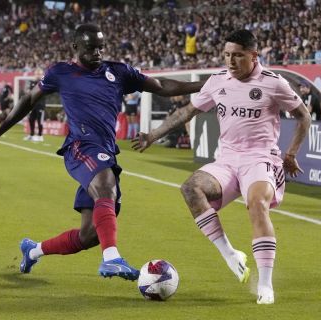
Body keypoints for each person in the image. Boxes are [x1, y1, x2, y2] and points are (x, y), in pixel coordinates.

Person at [0, 23, 204, 281]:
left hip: (105, 151)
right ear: (75, 47)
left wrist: (204, 85)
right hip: (80, 147)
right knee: (106, 185)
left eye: (100, 47)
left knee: (90, 235)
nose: (97, 53)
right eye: (91, 48)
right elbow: (29, 99)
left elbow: (161, 85)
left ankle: (33, 251)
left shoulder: (118, 72)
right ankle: (112, 259)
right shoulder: (60, 72)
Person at [132, 29, 311, 304]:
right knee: (191, 188)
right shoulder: (218, 81)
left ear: (253, 55)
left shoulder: (274, 83)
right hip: (227, 160)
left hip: (260, 159)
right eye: (227, 55)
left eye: (237, 55)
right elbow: (186, 112)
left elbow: (303, 116)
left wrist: (291, 153)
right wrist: (152, 135)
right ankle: (230, 254)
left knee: (257, 204)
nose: (230, 61)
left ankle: (265, 285)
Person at [24, 68, 46, 142]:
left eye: (39, 74)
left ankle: (40, 136)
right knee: (31, 119)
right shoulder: (32, 82)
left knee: (40, 120)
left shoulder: (43, 82)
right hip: (32, 105)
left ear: (42, 74)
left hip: (40, 104)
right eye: (37, 73)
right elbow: (29, 92)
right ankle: (31, 135)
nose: (38, 75)